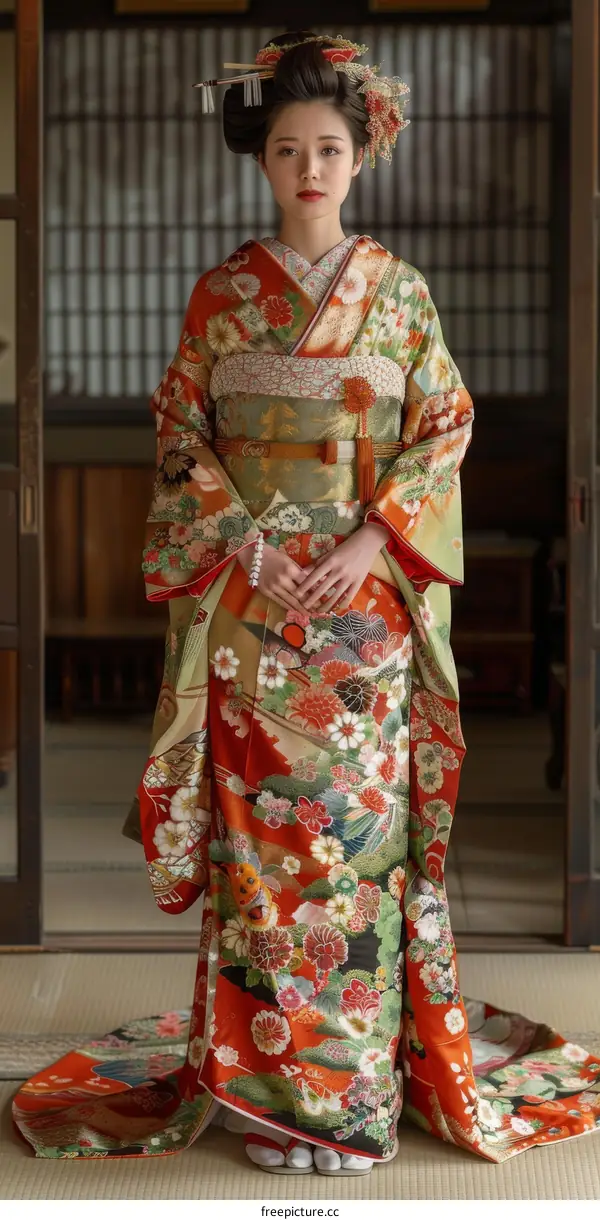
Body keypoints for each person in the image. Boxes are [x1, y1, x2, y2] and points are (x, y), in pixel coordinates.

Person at [13, 31, 600, 1175]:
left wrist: (375, 538)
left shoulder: (399, 294)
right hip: (251, 611)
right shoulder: (224, 295)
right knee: (264, 854)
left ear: (361, 154)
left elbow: (444, 428)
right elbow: (182, 434)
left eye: (328, 147)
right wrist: (245, 541)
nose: (310, 167)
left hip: (364, 611)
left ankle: (351, 1095)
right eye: (288, 149)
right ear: (264, 161)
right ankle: (270, 1093)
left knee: (358, 852)